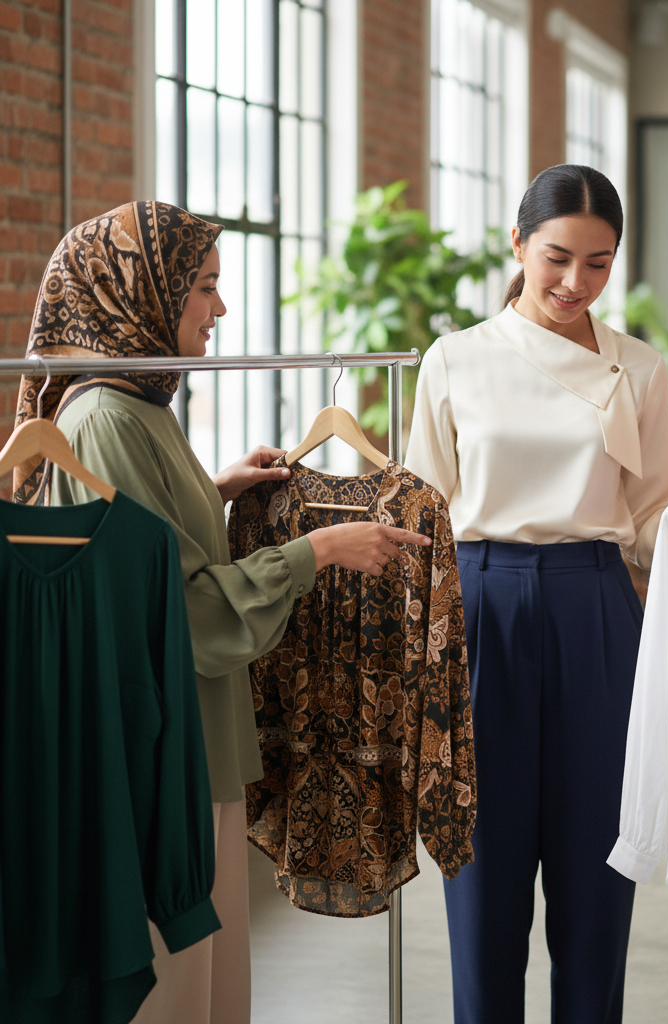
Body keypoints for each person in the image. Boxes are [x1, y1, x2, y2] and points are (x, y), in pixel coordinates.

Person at [13, 201, 430, 1024]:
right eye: (203, 287)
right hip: (164, 752)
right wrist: (319, 552)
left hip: (196, 743)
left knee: (203, 982)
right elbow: (177, 610)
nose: (221, 309)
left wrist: (217, 489)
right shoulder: (105, 420)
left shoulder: (137, 409)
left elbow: (151, 547)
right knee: (175, 985)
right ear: (140, 294)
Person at [404, 165, 668, 1024]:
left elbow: (660, 525)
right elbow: (428, 510)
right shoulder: (456, 358)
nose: (575, 282)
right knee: (482, 868)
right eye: (558, 256)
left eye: (599, 264)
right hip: (481, 605)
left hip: (597, 608)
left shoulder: (638, 369)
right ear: (517, 244)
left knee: (598, 870)